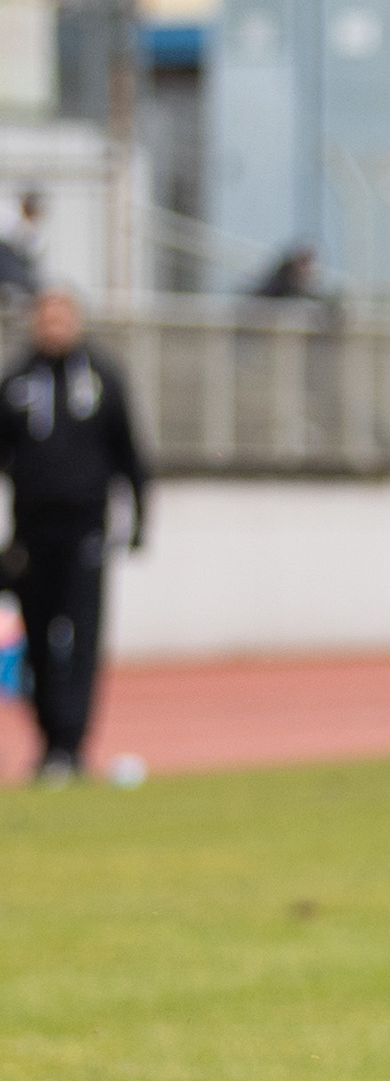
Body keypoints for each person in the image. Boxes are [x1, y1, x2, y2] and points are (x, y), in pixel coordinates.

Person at [2, 288, 149, 783]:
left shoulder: (102, 379)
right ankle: (48, 745)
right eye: (46, 317)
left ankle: (74, 744)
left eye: (63, 316)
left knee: (82, 641)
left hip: (87, 532)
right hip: (31, 535)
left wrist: (141, 521)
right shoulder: (16, 381)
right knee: (39, 643)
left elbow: (130, 456)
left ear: (77, 321)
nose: (54, 325)